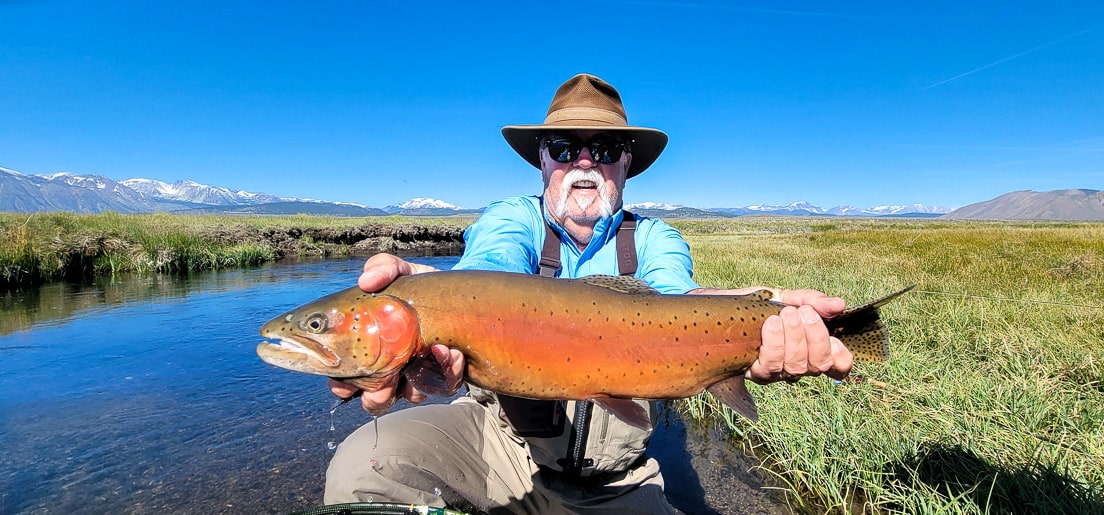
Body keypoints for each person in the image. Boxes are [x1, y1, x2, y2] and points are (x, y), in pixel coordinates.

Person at [324, 74, 852, 514]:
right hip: (502, 448)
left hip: (620, 480)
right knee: (364, 468)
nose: (583, 162)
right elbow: (489, 267)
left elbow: (680, 302)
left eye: (603, 149)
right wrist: (437, 302)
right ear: (543, 162)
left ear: (626, 164)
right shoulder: (512, 218)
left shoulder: (655, 238)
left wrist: (766, 308)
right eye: (563, 148)